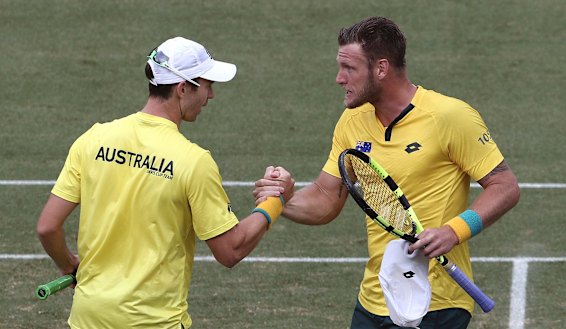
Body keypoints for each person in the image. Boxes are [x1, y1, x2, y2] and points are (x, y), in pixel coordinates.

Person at [254, 17, 520, 329]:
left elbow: (505, 186)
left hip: (433, 303)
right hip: (374, 300)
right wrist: (284, 199)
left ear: (381, 69)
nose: (339, 78)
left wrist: (453, 232)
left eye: (349, 68)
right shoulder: (352, 121)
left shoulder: (449, 116)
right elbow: (327, 198)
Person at [36, 36, 285, 329]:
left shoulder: (93, 139)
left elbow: (47, 227)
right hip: (153, 322)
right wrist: (276, 201)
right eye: (207, 85)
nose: (211, 96)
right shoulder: (193, 160)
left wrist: (69, 265)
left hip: (88, 319)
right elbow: (230, 250)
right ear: (182, 88)